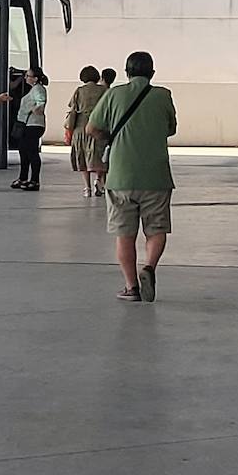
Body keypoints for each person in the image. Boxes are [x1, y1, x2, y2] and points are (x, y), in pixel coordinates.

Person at [87, 51, 177, 302]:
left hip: (121, 176)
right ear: (152, 73)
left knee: (124, 234)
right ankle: (149, 267)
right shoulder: (163, 95)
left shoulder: (114, 94)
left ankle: (131, 287)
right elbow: (170, 128)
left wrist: (111, 139)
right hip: (157, 176)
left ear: (126, 72)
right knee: (156, 229)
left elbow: (91, 128)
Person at [64, 66, 108, 198]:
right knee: (99, 156)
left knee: (82, 157)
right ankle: (99, 181)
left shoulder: (79, 91)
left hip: (80, 127)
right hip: (98, 125)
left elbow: (72, 107)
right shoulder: (104, 90)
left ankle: (87, 188)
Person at [12, 67, 49, 191]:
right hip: (28, 124)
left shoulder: (38, 89)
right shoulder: (33, 89)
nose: (26, 78)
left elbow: (41, 102)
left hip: (33, 125)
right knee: (24, 151)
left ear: (35, 78)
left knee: (31, 152)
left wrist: (36, 109)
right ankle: (23, 178)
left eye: (28, 75)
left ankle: (34, 180)